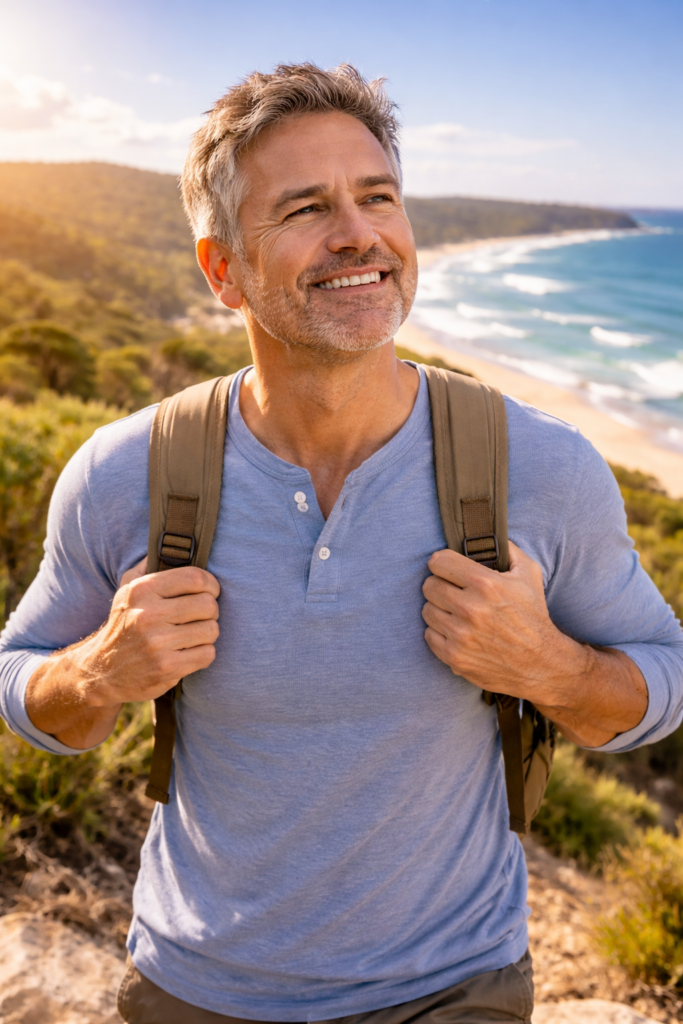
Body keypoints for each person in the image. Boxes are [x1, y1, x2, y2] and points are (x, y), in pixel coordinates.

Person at [1, 63, 682, 1024]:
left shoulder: (542, 465)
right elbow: (25, 688)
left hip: (453, 991)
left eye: (378, 197)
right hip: (196, 990)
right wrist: (100, 672)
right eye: (307, 207)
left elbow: (662, 682)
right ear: (222, 269)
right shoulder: (124, 475)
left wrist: (553, 668)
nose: (359, 233)